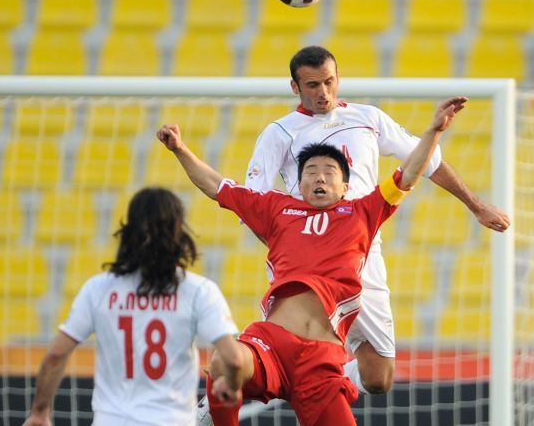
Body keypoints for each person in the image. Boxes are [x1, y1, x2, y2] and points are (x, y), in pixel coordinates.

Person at [156, 96, 467, 425]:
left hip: (321, 363)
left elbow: (409, 173)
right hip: (271, 345)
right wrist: (180, 149)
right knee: (224, 361)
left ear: (345, 186)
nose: (319, 178)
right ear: (299, 184)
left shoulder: (364, 212)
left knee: (378, 377)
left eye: (329, 172)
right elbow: (217, 186)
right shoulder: (276, 209)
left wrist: (434, 131)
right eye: (311, 172)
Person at [241, 46, 510, 396]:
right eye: (312, 85)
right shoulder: (279, 133)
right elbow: (253, 205)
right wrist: (295, 245)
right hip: (308, 263)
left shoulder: (368, 118)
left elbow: (426, 161)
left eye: (328, 82)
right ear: (295, 87)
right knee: (293, 351)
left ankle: (307, 380)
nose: (323, 92)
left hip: (363, 252)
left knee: (378, 377)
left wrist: (477, 206)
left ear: (338, 78)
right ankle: (232, 382)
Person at [22, 187, 245, 426]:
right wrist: (231, 384)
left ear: (128, 232)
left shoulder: (99, 289)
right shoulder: (198, 290)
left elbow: (56, 354)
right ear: (179, 231)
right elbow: (234, 359)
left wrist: (40, 412)